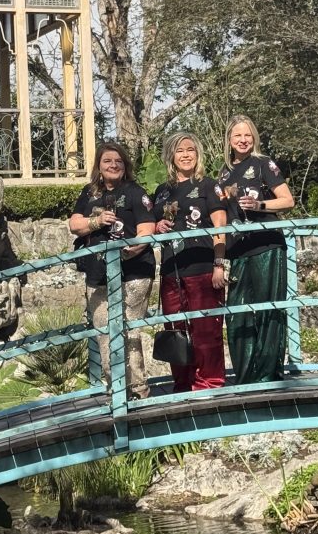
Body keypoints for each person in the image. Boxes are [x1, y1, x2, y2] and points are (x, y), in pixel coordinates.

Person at [69, 141, 155, 399]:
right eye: (107, 161)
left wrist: (131, 250)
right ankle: (117, 390)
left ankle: (138, 391)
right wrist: (96, 221)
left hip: (134, 272)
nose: (113, 165)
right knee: (104, 331)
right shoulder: (89, 193)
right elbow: (75, 224)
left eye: (118, 161)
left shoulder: (135, 192)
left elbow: (146, 230)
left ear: (125, 165)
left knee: (128, 331)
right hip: (98, 274)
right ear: (99, 165)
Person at [215, 115, 295, 384]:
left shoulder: (263, 164)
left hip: (266, 245)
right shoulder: (223, 173)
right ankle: (246, 376)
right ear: (229, 140)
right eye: (237, 135)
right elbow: (219, 216)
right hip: (238, 251)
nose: (243, 139)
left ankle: (268, 376)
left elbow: (287, 200)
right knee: (236, 314)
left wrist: (260, 204)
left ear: (254, 137)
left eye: (247, 134)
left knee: (268, 310)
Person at [152, 132, 227, 392]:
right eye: (180, 150)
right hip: (172, 269)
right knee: (175, 327)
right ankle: (183, 382)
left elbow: (220, 226)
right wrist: (157, 226)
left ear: (198, 154)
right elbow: (151, 224)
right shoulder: (162, 191)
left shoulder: (208, 186)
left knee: (206, 329)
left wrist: (219, 264)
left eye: (191, 150)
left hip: (203, 267)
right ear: (171, 155)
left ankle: (209, 382)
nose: (186, 155)